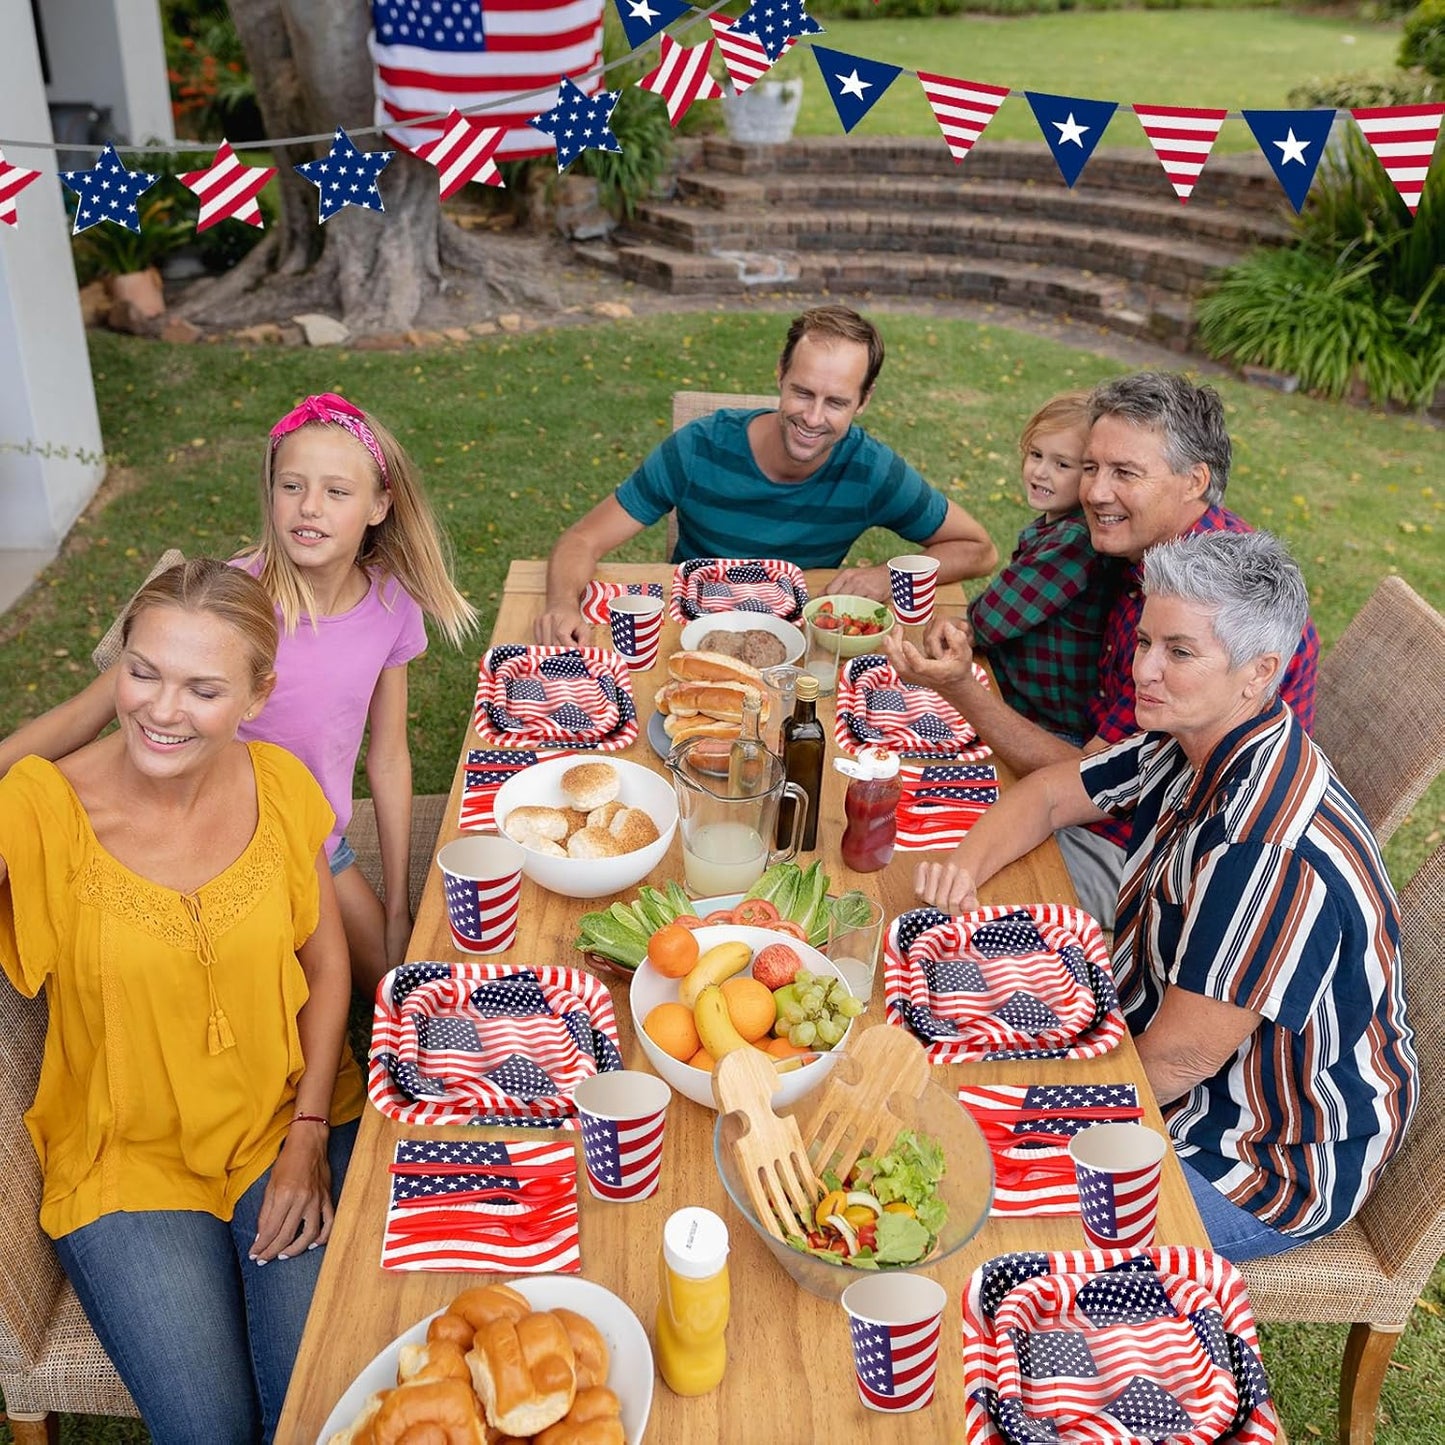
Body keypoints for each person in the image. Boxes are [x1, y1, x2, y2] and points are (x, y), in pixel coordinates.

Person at [915, 531, 1416, 1261]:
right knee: (957, 1061)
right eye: (1145, 639)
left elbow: (1176, 1062)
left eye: (1177, 652)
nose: (1141, 668)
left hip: (1259, 1158)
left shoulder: (1264, 851)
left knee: (983, 1206)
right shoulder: (1190, 732)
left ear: (1256, 674)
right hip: (1162, 1058)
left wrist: (1029, 1104)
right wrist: (960, 869)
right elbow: (1054, 794)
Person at [0, 559, 367, 1442]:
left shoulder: (278, 783)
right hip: (125, 1161)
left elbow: (326, 963)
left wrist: (310, 1130)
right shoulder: (41, 811)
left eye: (203, 688)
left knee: (315, 1412)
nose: (163, 711)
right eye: (143, 672)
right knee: (210, 1432)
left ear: (255, 693)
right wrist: (106, 702)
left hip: (288, 1119)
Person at [0, 393, 478, 994]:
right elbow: (91, 708)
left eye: (337, 492)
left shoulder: (391, 603)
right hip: (219, 837)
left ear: (380, 505)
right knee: (267, 992)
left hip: (316, 839)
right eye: (291, 486)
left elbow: (388, 755)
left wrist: (399, 908)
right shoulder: (235, 600)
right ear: (270, 492)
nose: (309, 508)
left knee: (390, 984)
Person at [881, 371, 1319, 927]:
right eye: (1090, 467)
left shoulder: (1204, 609)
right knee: (903, 800)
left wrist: (963, 688)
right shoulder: (1140, 553)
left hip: (1149, 850)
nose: (1094, 492)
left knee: (908, 876)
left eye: (1124, 473)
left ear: (1194, 480)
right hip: (1093, 794)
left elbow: (1104, 779)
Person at [536, 304, 997, 644]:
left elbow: (979, 550)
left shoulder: (871, 469)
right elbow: (582, 539)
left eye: (836, 402)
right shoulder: (698, 447)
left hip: (803, 651)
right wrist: (560, 605)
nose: (813, 418)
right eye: (802, 392)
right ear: (780, 374)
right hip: (687, 638)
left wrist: (885, 576)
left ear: (864, 400)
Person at [966, 390, 1119, 745]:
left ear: (1091, 474)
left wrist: (966, 623)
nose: (1040, 472)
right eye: (1036, 454)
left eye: (1062, 464)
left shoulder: (1074, 539)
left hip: (1048, 726)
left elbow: (987, 621)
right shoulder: (1058, 528)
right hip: (1027, 701)